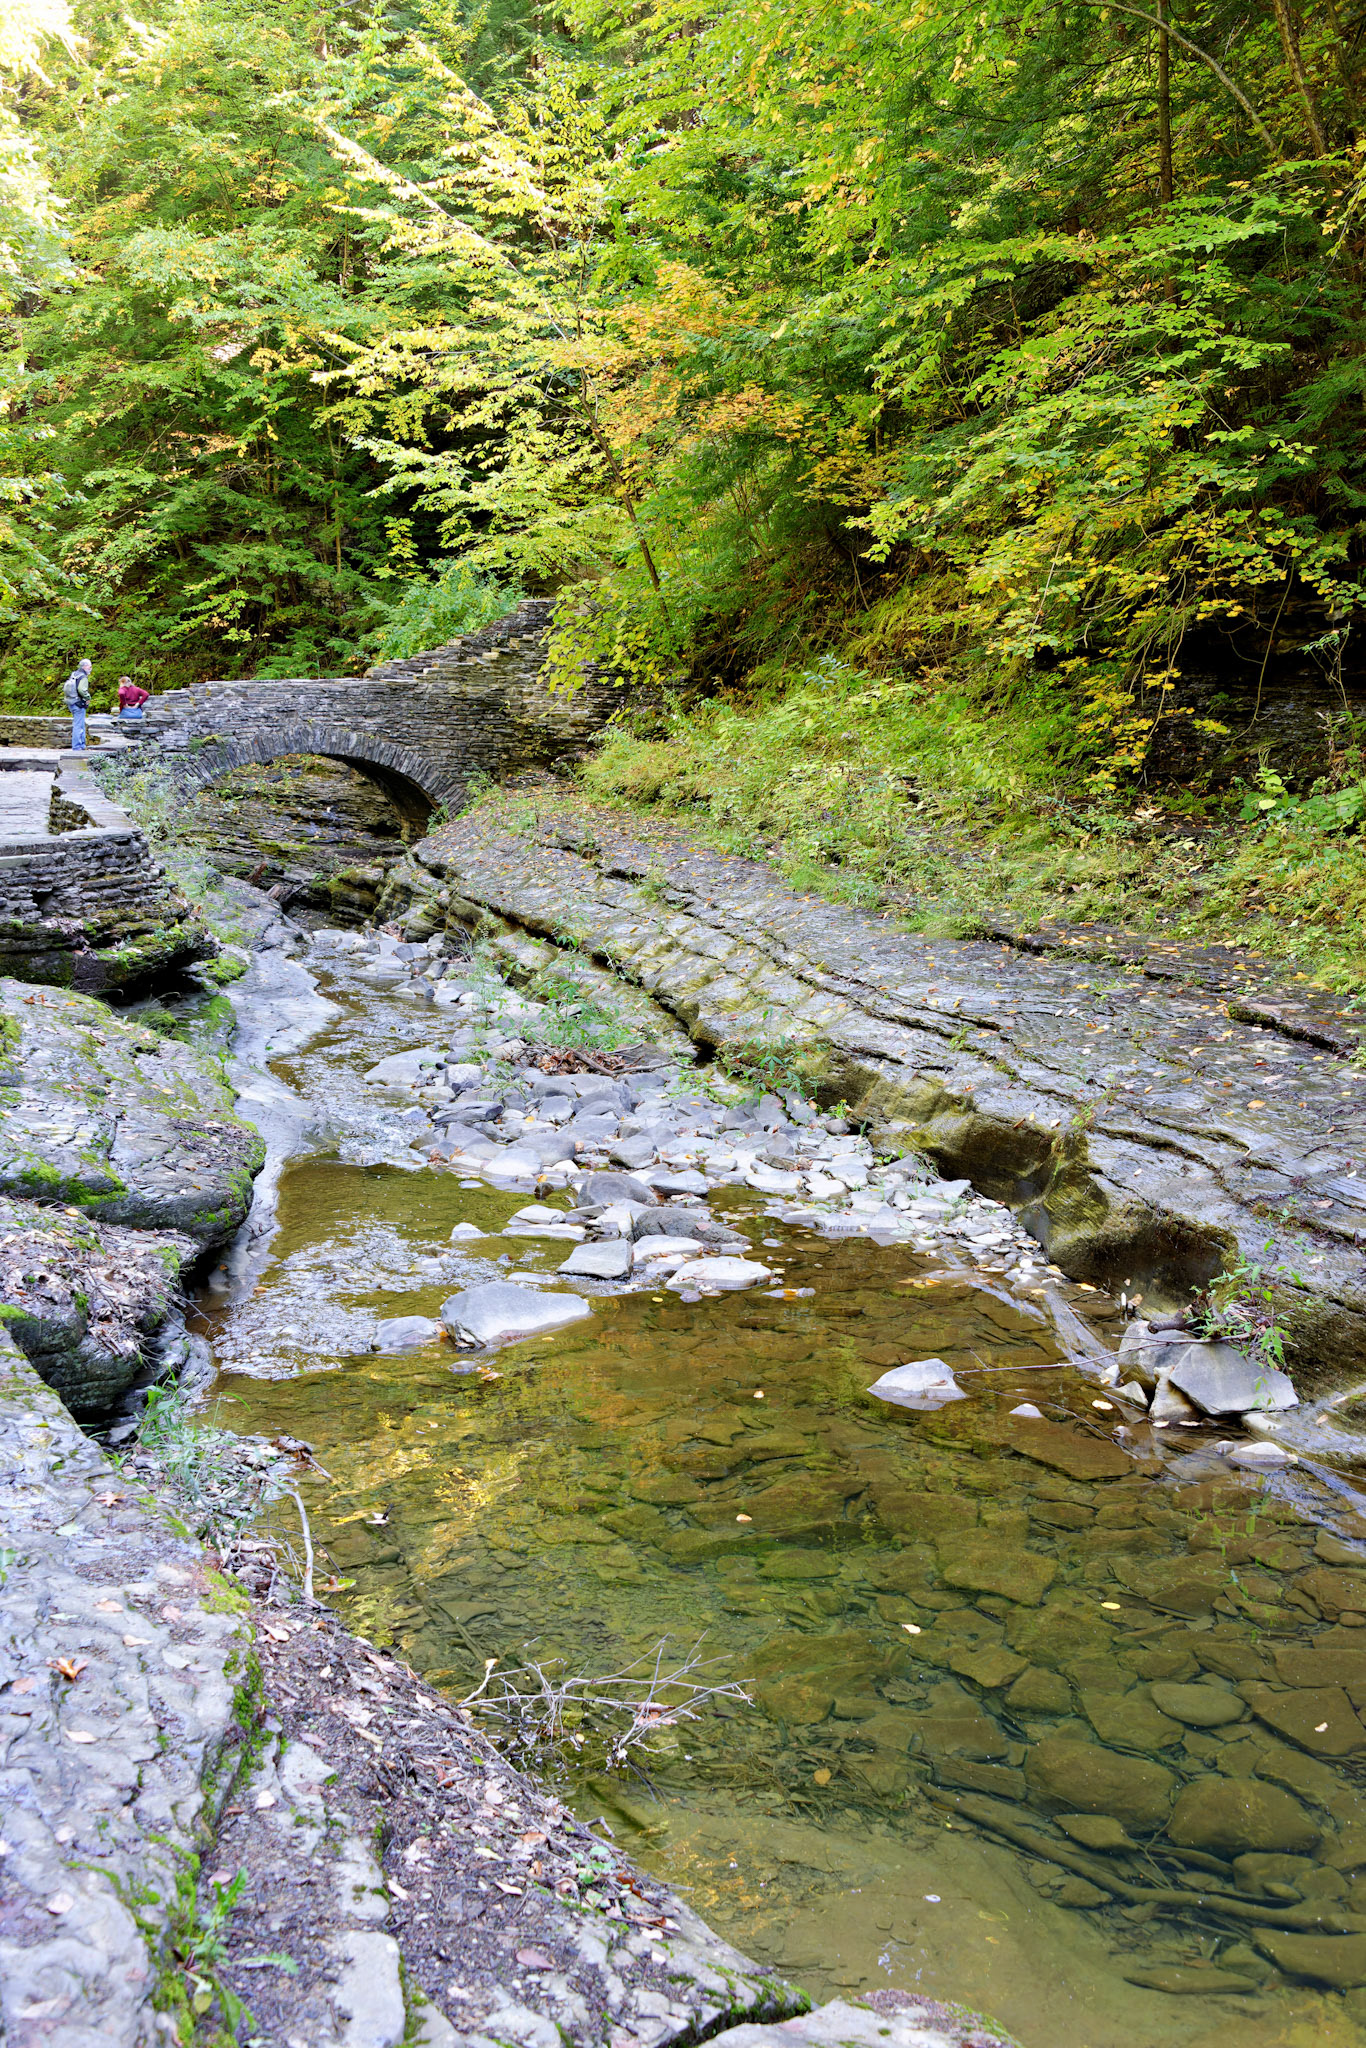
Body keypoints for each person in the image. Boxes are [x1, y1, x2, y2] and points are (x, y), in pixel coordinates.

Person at [62, 658, 92, 752]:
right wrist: (88, 698)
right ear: (85, 666)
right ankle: (77, 747)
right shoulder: (83, 676)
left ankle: (82, 745)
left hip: (71, 702)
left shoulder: (74, 674)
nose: (91, 668)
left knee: (80, 724)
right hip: (78, 703)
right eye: (90, 666)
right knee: (78, 725)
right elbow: (82, 690)